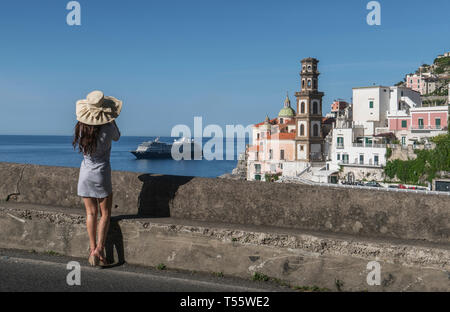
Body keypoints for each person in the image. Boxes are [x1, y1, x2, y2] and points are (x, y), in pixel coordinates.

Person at [72, 90, 122, 267]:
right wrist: (111, 119)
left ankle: (92, 249)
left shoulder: (82, 127)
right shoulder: (108, 128)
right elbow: (117, 136)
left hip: (85, 173)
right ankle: (100, 249)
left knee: (90, 213)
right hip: (101, 173)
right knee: (105, 214)